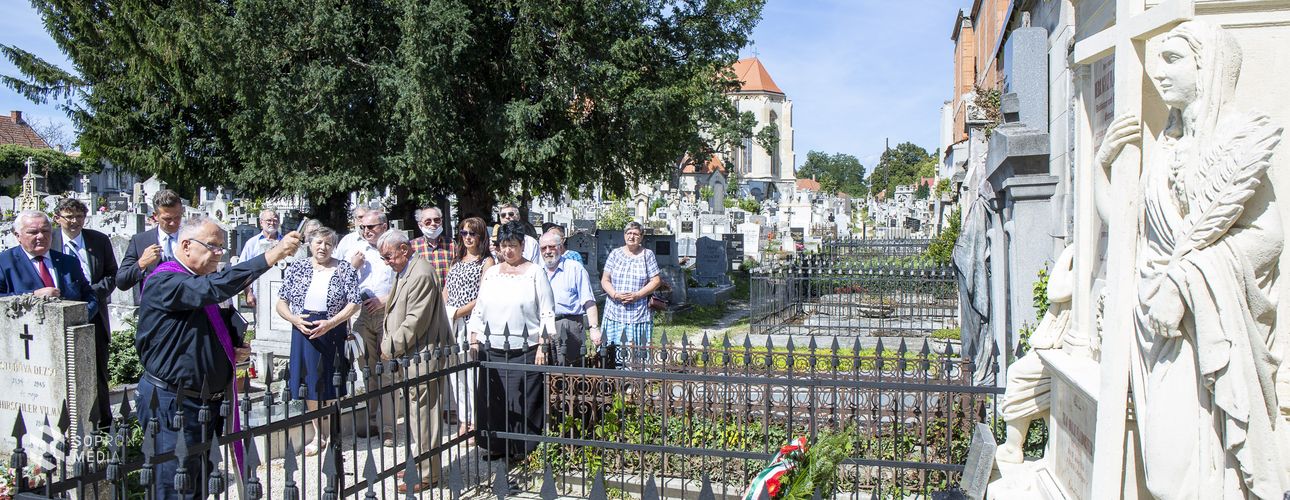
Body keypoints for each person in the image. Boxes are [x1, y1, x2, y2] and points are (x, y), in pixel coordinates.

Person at [1095, 21, 1289, 498]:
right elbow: (1128, 230)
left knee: (1186, 472)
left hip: (1205, 327)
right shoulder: (1169, 146)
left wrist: (1183, 283)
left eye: (1174, 60)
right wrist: (1102, 167)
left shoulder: (1235, 141)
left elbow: (1268, 240)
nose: (1160, 74)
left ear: (1209, 66)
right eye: (1159, 61)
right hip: (1153, 328)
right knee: (1164, 473)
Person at [134, 215, 301, 500]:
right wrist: (273, 254)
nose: (219, 253)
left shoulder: (197, 280)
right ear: (186, 245)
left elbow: (202, 331)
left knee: (199, 483)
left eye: (221, 247)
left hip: (205, 404)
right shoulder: (167, 280)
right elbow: (212, 289)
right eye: (212, 246)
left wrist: (231, 350)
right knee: (176, 486)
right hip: (172, 403)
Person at [467, 221, 554, 461]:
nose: (508, 251)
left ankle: (524, 448)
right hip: (492, 345)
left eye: (512, 245)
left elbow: (547, 310)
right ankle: (495, 444)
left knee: (524, 400)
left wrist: (543, 345)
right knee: (492, 398)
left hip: (525, 347)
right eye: (504, 246)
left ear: (522, 245)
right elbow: (480, 306)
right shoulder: (492, 273)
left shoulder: (535, 272)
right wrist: (474, 335)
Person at [376, 229, 454, 493]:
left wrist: (389, 346)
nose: (386, 261)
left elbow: (415, 321)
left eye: (388, 256)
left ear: (404, 249)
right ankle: (418, 461)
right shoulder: (407, 269)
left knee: (425, 416)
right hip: (412, 355)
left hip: (424, 354)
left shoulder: (420, 272)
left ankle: (427, 473)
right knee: (415, 415)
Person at [274, 226, 360, 456]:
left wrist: (331, 323)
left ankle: (333, 434)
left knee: (331, 382)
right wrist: (294, 319)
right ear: (310, 244)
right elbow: (281, 302)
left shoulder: (344, 269)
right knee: (309, 383)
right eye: (318, 243)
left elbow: (354, 302)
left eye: (328, 244)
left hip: (332, 328)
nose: (322, 248)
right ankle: (317, 434)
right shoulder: (298, 268)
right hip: (303, 328)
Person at [51, 198, 118, 427]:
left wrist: (91, 294)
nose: (74, 221)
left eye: (79, 216)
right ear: (58, 218)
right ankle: (65, 423)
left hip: (94, 314)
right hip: (59, 314)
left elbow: (112, 275)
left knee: (98, 370)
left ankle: (103, 423)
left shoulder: (98, 241)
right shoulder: (50, 240)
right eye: (69, 216)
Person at [334, 210, 396, 440]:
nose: (367, 231)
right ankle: (370, 422)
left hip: (386, 313)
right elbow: (338, 279)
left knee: (388, 370)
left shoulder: (395, 245)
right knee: (367, 370)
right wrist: (352, 267)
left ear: (384, 225)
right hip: (361, 314)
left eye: (372, 227)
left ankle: (388, 427)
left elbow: (404, 282)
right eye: (363, 227)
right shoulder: (352, 246)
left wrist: (385, 299)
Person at [443, 216, 493, 439]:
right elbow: (446, 290)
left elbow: (483, 296)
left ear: (481, 236)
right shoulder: (456, 260)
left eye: (473, 233)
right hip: (450, 321)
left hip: (470, 322)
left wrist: (457, 312)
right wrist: (443, 311)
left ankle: (476, 421)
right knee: (456, 375)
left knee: (472, 375)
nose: (468, 238)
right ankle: (464, 419)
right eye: (464, 233)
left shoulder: (487, 262)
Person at [0, 210, 98, 312]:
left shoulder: (69, 262)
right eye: (33, 232)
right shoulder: (4, 263)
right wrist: (33, 295)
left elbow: (89, 296)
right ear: (18, 235)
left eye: (45, 231)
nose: (41, 236)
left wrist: (78, 318)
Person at [600, 221, 661, 358]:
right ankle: (613, 375)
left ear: (642, 237)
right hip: (614, 310)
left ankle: (635, 376)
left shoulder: (647, 255)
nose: (631, 237)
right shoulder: (615, 254)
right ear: (624, 235)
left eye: (635, 234)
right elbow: (605, 280)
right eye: (629, 233)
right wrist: (615, 295)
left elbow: (656, 281)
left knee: (635, 351)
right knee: (611, 351)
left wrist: (637, 295)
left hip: (638, 311)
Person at [539, 230, 600, 366]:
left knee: (569, 370)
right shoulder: (537, 271)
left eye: (552, 247)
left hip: (568, 324)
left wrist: (594, 328)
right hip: (543, 325)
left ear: (560, 247)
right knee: (545, 369)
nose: (548, 251)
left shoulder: (575, 269)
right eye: (544, 248)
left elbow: (588, 301)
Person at [116, 189, 185, 294]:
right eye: (167, 219)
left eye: (177, 217)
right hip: (154, 307)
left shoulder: (192, 237)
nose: (173, 223)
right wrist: (141, 263)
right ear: (155, 216)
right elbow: (121, 282)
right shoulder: (140, 241)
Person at [238, 209, 280, 308]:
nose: (272, 223)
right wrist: (248, 293)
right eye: (268, 220)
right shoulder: (252, 243)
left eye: (275, 220)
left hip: (280, 292)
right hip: (259, 292)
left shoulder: (284, 242)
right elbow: (244, 270)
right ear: (261, 223)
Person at [409, 206, 454, 282]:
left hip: (447, 292)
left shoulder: (452, 244)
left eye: (437, 220)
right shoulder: (412, 246)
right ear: (420, 225)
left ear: (441, 222)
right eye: (428, 221)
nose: (433, 224)